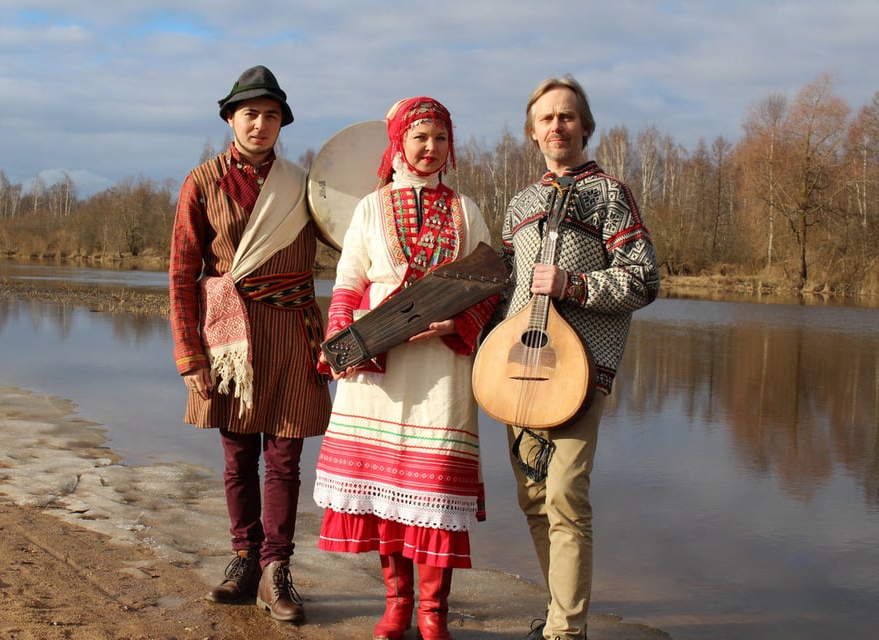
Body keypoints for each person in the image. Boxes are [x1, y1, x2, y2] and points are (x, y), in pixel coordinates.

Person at [313, 97, 496, 640]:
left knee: (433, 487)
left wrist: (451, 325)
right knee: (385, 492)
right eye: (420, 136)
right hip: (378, 370)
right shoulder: (370, 207)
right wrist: (345, 346)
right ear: (398, 142)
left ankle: (432, 613)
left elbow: (488, 285)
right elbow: (347, 283)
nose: (431, 147)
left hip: (441, 369)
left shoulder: (467, 210)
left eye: (440, 137)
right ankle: (396, 604)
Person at [494, 75, 659, 640]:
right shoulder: (520, 203)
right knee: (533, 496)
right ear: (532, 132)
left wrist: (573, 284)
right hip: (517, 370)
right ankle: (560, 611)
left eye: (567, 116)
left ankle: (566, 631)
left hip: (580, 371)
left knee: (565, 492)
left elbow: (643, 280)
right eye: (546, 118)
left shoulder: (610, 195)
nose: (556, 126)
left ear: (585, 127)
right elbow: (506, 290)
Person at [168, 64, 331, 624]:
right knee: (238, 458)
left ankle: (275, 569)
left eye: (271, 115)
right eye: (250, 114)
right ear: (230, 118)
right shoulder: (202, 182)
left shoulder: (305, 184)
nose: (260, 124)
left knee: (284, 460)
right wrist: (189, 354)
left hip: (291, 331)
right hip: (229, 340)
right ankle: (243, 559)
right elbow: (181, 273)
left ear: (282, 122)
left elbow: (351, 236)